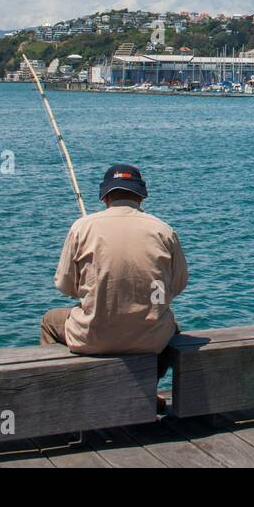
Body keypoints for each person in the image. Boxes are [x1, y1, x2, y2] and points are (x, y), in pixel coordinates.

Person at [41, 164, 189, 394]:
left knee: (50, 321)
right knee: (173, 326)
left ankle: (60, 393)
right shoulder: (163, 230)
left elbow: (65, 286)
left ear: (105, 197)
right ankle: (146, 393)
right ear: (141, 197)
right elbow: (176, 286)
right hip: (150, 340)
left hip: (93, 337)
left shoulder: (82, 227)